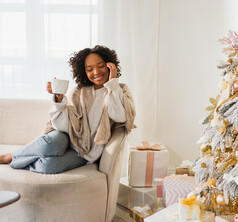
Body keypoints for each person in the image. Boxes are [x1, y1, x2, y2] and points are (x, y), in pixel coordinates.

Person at [0, 45, 136, 174]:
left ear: (110, 66)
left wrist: (112, 84)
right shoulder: (80, 91)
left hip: (85, 152)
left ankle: (18, 159)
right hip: (65, 136)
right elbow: (63, 126)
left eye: (100, 66)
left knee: (48, 166)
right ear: (84, 72)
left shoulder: (119, 90)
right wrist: (59, 99)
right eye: (89, 69)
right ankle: (10, 156)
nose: (96, 72)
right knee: (50, 145)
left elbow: (120, 117)